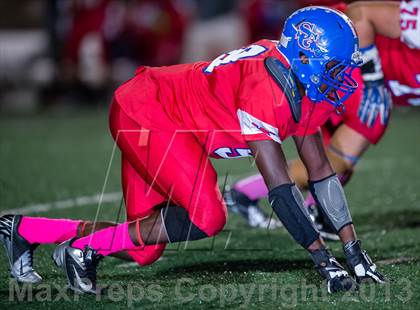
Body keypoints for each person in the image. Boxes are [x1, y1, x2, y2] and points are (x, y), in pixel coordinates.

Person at [0, 7, 384, 294]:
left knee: (143, 249)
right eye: (336, 67)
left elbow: (320, 173)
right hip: (148, 112)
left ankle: (25, 230)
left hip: (170, 123)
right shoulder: (266, 90)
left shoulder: (301, 85)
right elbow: (281, 190)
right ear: (307, 58)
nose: (345, 78)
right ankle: (82, 250)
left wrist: (353, 250)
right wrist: (324, 262)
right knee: (208, 214)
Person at [226, 0, 420, 239]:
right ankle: (313, 211)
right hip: (345, 66)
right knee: (337, 159)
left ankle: (245, 194)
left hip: (359, 80)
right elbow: (361, 14)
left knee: (325, 159)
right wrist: (374, 76)